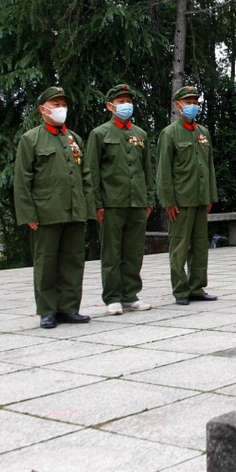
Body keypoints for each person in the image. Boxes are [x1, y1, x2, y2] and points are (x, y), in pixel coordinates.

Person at [13, 85, 94, 329]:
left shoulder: (74, 139)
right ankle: (47, 310)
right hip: (46, 213)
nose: (61, 109)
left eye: (64, 105)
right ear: (42, 109)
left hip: (74, 210)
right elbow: (22, 179)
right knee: (46, 263)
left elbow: (86, 175)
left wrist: (87, 209)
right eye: (56, 105)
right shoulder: (31, 139)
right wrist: (28, 214)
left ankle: (69, 308)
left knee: (73, 261)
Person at [86, 83, 154, 315]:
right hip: (112, 203)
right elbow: (92, 171)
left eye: (128, 101)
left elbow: (147, 170)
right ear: (110, 106)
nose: (126, 105)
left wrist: (149, 200)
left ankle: (130, 295)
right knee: (111, 252)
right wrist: (97, 204)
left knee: (134, 250)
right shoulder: (100, 134)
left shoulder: (140, 134)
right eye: (121, 101)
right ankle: (112, 297)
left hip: (137, 202)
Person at [156, 85, 219, 305]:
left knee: (200, 244)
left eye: (195, 102)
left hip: (201, 198)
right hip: (180, 200)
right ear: (178, 105)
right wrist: (168, 201)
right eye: (188, 102)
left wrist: (210, 195)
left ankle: (197, 287)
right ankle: (180, 290)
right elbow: (163, 170)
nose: (192, 106)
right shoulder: (169, 133)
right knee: (180, 246)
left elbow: (209, 165)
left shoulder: (203, 132)